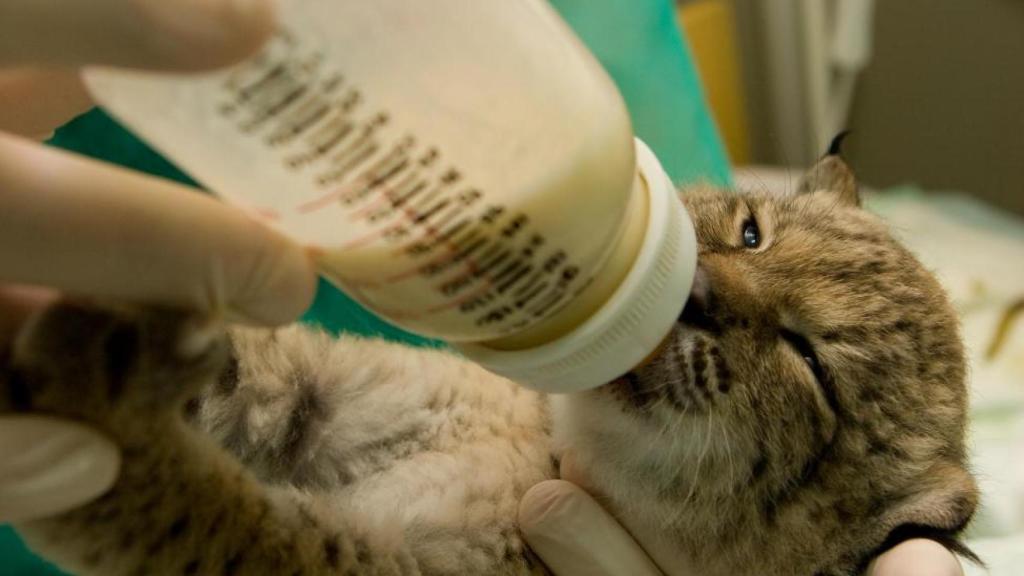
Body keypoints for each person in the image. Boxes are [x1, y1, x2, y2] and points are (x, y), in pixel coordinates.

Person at [0, 1, 964, 574]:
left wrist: (133, 489)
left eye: (804, 359)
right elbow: (280, 388)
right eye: (748, 232)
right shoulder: (516, 407)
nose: (713, 287)